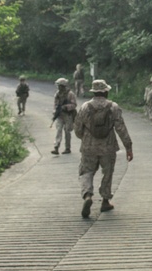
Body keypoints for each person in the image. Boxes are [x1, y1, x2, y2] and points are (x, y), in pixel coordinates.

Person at [73, 79, 133, 218]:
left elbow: (77, 129)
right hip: (108, 147)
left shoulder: (85, 107)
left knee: (86, 171)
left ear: (94, 92)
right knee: (108, 173)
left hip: (89, 147)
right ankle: (105, 201)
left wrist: (85, 138)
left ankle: (87, 195)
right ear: (106, 91)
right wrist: (128, 147)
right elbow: (121, 129)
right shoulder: (113, 107)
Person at [51, 77, 78, 155]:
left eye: (60, 85)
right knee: (58, 130)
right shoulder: (57, 94)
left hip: (68, 115)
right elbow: (55, 104)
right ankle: (56, 147)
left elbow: (74, 104)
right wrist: (55, 112)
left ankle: (67, 148)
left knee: (67, 131)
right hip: (60, 115)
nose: (58, 87)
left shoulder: (70, 94)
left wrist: (66, 107)